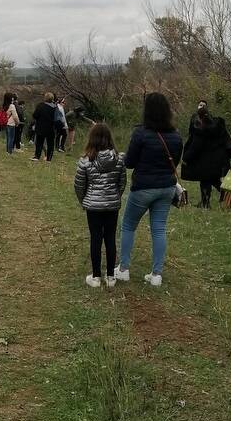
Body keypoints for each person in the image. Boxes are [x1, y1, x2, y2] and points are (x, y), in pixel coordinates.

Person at [115, 92, 183, 286]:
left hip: (143, 187)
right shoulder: (176, 136)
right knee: (159, 229)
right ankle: (156, 274)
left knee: (128, 225)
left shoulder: (140, 133)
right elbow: (174, 163)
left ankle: (123, 269)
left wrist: (124, 156)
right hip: (167, 188)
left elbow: (129, 163)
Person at [74, 123, 127, 287]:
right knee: (110, 238)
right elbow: (122, 182)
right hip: (112, 205)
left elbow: (79, 185)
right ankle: (111, 276)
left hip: (93, 205)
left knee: (96, 238)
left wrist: (84, 200)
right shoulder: (119, 159)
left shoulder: (85, 160)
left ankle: (96, 276)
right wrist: (116, 196)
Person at [181, 100, 231, 208]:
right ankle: (206, 202)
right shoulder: (216, 125)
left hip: (206, 162)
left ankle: (208, 202)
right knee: (211, 180)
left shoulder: (200, 129)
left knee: (207, 180)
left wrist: (186, 158)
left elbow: (195, 147)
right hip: (218, 161)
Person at [31, 93, 57, 162]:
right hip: (51, 128)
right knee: (50, 144)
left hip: (40, 127)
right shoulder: (55, 107)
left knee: (39, 143)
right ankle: (49, 159)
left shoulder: (40, 105)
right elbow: (57, 118)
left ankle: (37, 156)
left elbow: (35, 115)